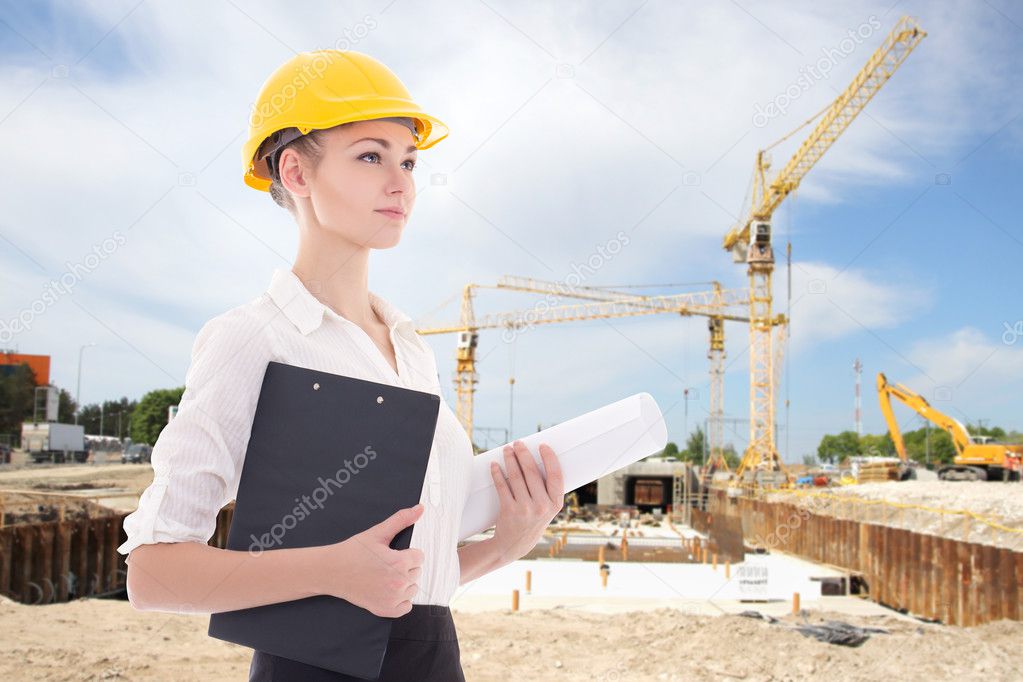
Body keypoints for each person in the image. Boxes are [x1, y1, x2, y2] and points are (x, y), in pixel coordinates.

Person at [118, 50, 566, 681]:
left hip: (433, 660)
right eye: (370, 155)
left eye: (408, 161)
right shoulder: (251, 340)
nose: (402, 182)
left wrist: (503, 545)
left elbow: (403, 588)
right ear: (296, 172)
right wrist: (332, 569)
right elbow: (153, 573)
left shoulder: (412, 351)